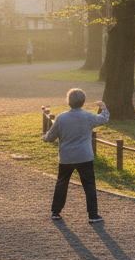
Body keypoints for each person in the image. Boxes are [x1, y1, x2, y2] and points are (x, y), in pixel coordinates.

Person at [42, 88, 109, 223]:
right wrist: (104, 108)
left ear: (68, 101)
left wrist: (45, 138)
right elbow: (103, 119)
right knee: (89, 185)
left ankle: (56, 211)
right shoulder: (88, 116)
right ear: (83, 102)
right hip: (84, 156)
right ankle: (93, 215)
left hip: (66, 157)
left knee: (62, 183)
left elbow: (51, 136)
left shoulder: (61, 117)